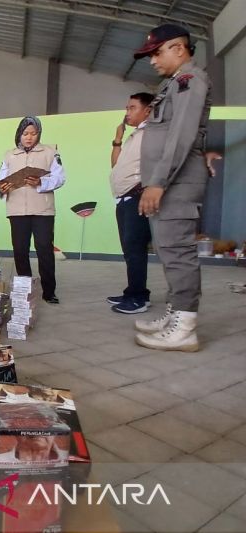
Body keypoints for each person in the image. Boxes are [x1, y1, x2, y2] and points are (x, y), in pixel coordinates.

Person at [131, 24, 211, 352]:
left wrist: (158, 183)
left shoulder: (190, 81)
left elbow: (181, 136)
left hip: (177, 182)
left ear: (179, 49)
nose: (152, 61)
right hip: (167, 182)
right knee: (167, 250)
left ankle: (185, 327)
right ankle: (174, 314)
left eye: (156, 52)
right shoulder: (172, 85)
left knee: (178, 252)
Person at [0, 116, 66, 304]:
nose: (29, 137)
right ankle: (25, 290)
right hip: (17, 210)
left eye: (33, 133)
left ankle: (49, 291)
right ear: (19, 134)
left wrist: (41, 182)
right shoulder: (9, 155)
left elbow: (60, 178)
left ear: (39, 134)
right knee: (20, 250)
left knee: (44, 248)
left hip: (43, 210)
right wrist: (2, 188)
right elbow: (1, 179)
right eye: (25, 133)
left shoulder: (50, 152)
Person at [107, 93, 155, 314]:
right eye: (126, 107)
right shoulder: (134, 136)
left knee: (135, 249)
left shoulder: (152, 133)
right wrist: (118, 139)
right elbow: (115, 165)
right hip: (124, 199)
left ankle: (138, 299)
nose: (127, 112)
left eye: (132, 107)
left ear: (148, 110)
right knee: (129, 249)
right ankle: (133, 291)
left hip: (137, 197)